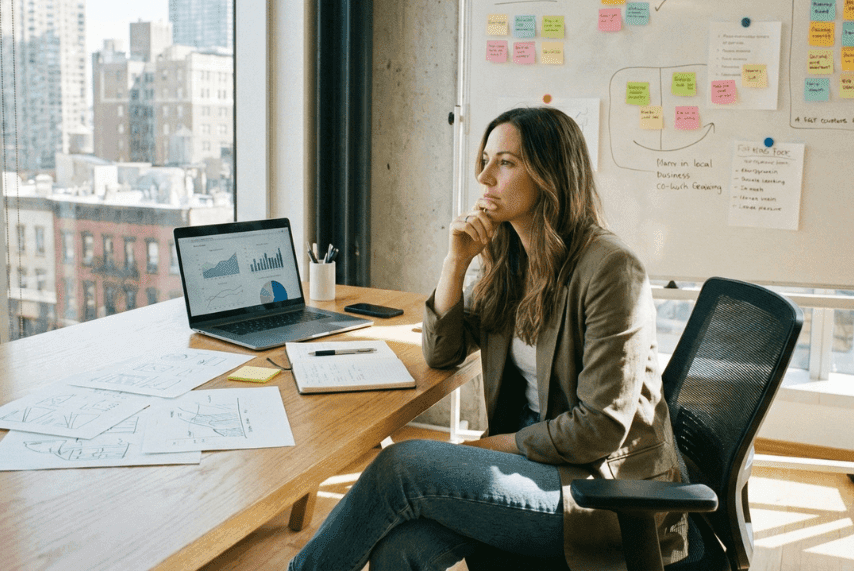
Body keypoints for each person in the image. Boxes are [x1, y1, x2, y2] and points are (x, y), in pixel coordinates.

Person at [289, 107, 687, 571]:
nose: (483, 177)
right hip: (537, 462)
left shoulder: (611, 269)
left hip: (598, 491)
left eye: (505, 162)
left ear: (550, 175)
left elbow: (597, 429)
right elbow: (442, 353)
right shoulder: (510, 260)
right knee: (403, 548)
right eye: (484, 159)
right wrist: (455, 264)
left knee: (401, 467)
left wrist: (495, 445)